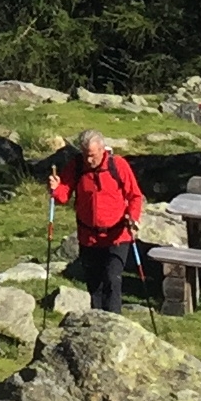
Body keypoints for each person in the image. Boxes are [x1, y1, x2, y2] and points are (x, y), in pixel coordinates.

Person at [49, 128, 146, 313]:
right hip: (89, 237)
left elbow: (135, 196)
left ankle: (114, 322)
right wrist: (55, 188)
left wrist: (133, 218)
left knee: (112, 278)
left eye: (92, 155)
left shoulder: (118, 165)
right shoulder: (77, 166)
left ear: (102, 150)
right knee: (94, 286)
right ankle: (97, 322)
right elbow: (63, 196)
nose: (88, 159)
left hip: (117, 236)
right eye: (85, 154)